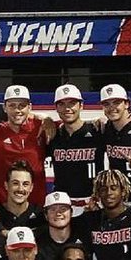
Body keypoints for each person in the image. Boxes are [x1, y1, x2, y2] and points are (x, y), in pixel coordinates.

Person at [0, 85, 47, 209]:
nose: (17, 110)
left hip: (37, 206)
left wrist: (48, 119)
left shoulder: (42, 128)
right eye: (12, 106)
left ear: (29, 107)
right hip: (3, 207)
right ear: (4, 108)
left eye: (22, 105)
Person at [45, 84, 100, 213]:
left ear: (81, 106)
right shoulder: (52, 134)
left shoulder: (97, 130)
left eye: (72, 103)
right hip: (62, 205)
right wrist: (46, 119)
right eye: (62, 104)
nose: (67, 108)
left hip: (92, 205)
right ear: (56, 108)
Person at [0, 160, 44, 231]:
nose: (20, 189)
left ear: (31, 187)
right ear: (6, 185)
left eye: (25, 184)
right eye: (15, 183)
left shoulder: (40, 215)